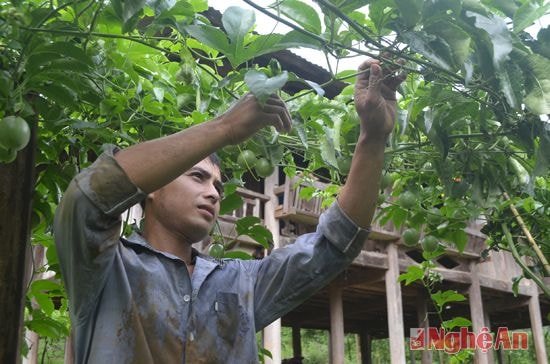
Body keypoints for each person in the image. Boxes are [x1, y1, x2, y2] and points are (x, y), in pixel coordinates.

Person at [54, 58, 405, 363]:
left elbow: (334, 245)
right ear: (153, 189)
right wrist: (223, 128)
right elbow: (88, 199)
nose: (212, 193)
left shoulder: (241, 282)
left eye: (218, 187)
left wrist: (373, 137)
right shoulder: (105, 269)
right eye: (197, 177)